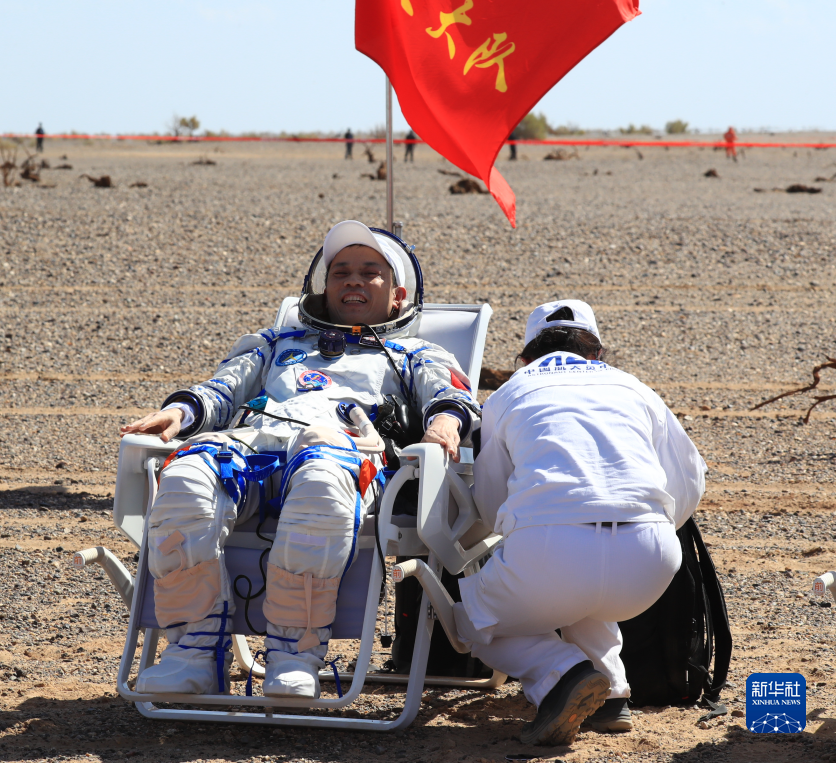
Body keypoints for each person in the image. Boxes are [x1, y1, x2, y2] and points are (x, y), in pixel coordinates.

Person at [120, 220, 479, 700]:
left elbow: (452, 398)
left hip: (343, 454)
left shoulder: (414, 353)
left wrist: (445, 423)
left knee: (320, 478)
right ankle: (193, 654)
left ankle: (294, 655)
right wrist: (178, 414)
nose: (352, 280)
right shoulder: (276, 343)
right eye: (341, 272)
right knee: (186, 475)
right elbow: (221, 391)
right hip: (255, 450)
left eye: (369, 272)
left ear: (398, 297)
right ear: (324, 286)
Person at [453, 300, 706, 747]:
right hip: (651, 559)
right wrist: (651, 526)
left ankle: (562, 674)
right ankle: (611, 695)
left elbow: (491, 503)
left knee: (470, 622)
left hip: (551, 550)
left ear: (526, 357)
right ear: (597, 353)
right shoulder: (633, 387)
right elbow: (689, 478)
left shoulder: (511, 392)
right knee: (585, 602)